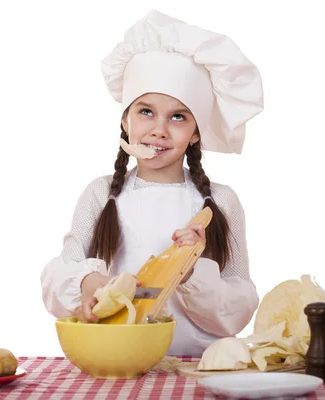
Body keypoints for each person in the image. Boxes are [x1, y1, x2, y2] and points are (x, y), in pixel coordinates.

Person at [40, 9, 264, 356]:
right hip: (121, 361)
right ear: (125, 121)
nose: (159, 129)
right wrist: (86, 282)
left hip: (199, 367)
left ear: (194, 134)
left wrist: (190, 274)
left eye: (178, 116)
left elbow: (241, 304)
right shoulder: (101, 194)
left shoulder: (221, 202)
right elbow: (59, 272)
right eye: (146, 111)